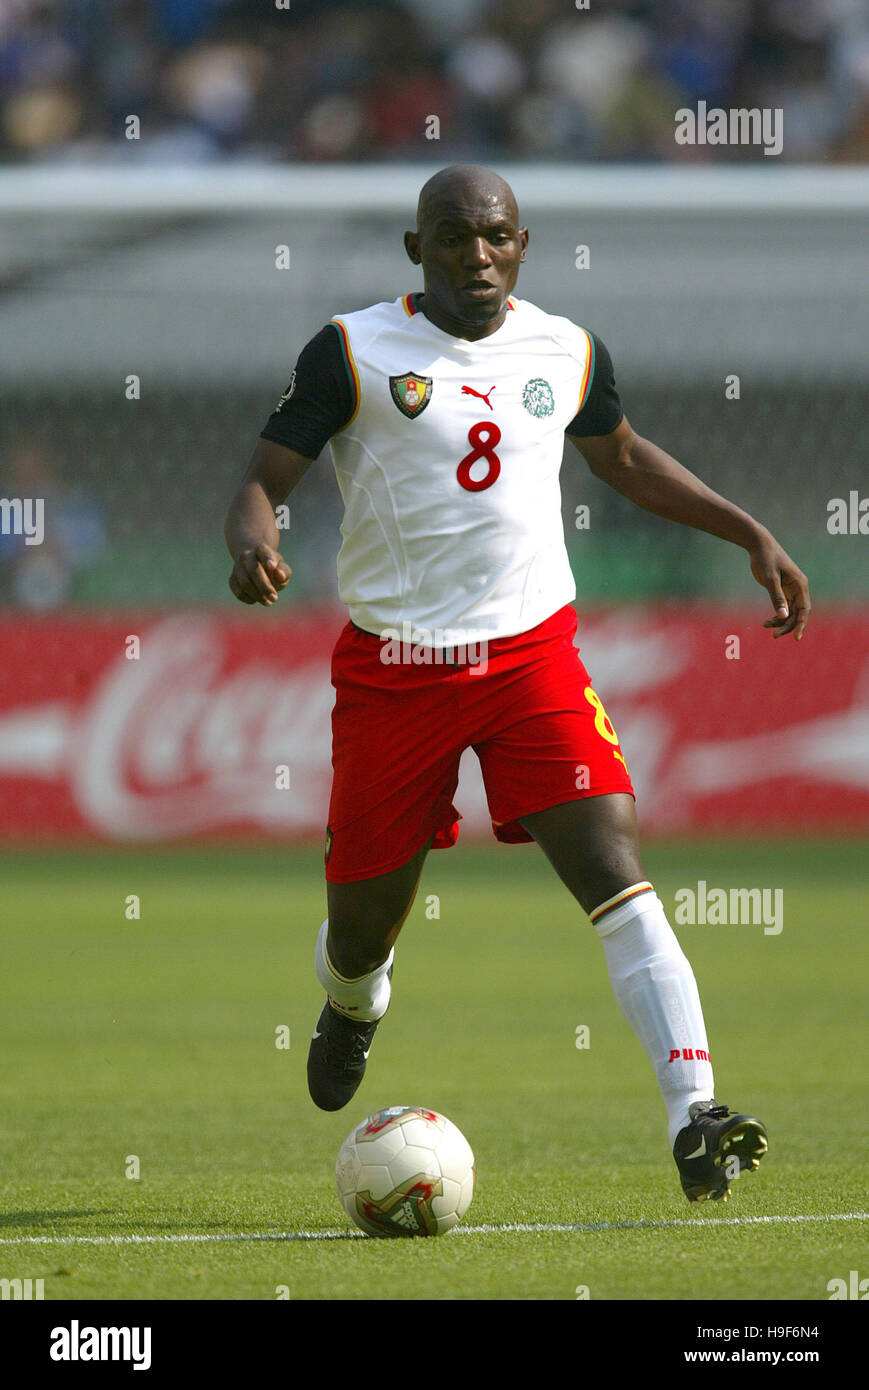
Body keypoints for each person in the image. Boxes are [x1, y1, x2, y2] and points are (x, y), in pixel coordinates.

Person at [224, 165, 811, 1204]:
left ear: (522, 244)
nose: (475, 256)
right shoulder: (352, 350)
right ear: (416, 251)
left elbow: (620, 459)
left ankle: (695, 1110)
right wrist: (252, 538)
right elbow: (264, 479)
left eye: (493, 237)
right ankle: (354, 1001)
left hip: (529, 658)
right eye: (451, 238)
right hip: (394, 671)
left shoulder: (566, 349)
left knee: (611, 859)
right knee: (360, 928)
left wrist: (748, 530)